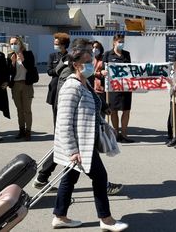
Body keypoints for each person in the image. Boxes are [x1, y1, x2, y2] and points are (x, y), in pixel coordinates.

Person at [33, 38, 123, 196]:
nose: (91, 53)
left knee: (71, 160)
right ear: (77, 52)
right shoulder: (71, 69)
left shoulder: (82, 65)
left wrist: (103, 105)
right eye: (88, 50)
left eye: (91, 51)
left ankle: (44, 180)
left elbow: (89, 90)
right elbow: (67, 97)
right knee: (70, 148)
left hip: (82, 119)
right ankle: (103, 184)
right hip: (71, 115)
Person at [51, 47, 128, 231]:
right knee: (100, 177)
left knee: (69, 179)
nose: (91, 63)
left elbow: (90, 109)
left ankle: (60, 216)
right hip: (79, 146)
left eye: (91, 59)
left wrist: (103, 121)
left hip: (86, 141)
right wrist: (72, 150)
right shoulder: (71, 86)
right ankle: (106, 219)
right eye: (86, 61)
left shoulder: (84, 83)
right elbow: (63, 121)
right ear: (76, 65)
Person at [102, 34, 134, 143]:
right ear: (114, 42)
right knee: (113, 111)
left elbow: (130, 69)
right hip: (113, 87)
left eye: (123, 41)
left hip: (125, 87)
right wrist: (103, 72)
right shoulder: (107, 54)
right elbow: (102, 69)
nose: (121, 43)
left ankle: (124, 134)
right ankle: (115, 134)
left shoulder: (126, 54)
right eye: (120, 41)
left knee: (126, 110)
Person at [6, 36, 38, 141]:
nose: (13, 45)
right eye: (11, 44)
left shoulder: (28, 54)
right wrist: (13, 63)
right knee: (19, 110)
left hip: (26, 84)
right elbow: (9, 72)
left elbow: (31, 68)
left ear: (20, 43)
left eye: (15, 43)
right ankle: (21, 130)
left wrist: (23, 60)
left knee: (27, 110)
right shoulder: (10, 56)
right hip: (15, 85)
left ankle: (28, 131)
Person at [46, 33, 70, 127]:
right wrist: (61, 68)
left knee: (66, 112)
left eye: (57, 44)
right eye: (54, 43)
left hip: (67, 86)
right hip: (55, 87)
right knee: (55, 111)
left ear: (63, 45)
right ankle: (57, 133)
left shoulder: (70, 56)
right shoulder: (52, 56)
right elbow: (49, 71)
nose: (55, 46)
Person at [89, 40, 108, 119]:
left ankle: (102, 127)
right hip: (90, 87)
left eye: (97, 47)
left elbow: (105, 73)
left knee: (101, 108)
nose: (94, 49)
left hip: (100, 87)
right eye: (93, 47)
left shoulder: (103, 59)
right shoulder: (89, 58)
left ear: (100, 49)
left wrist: (97, 73)